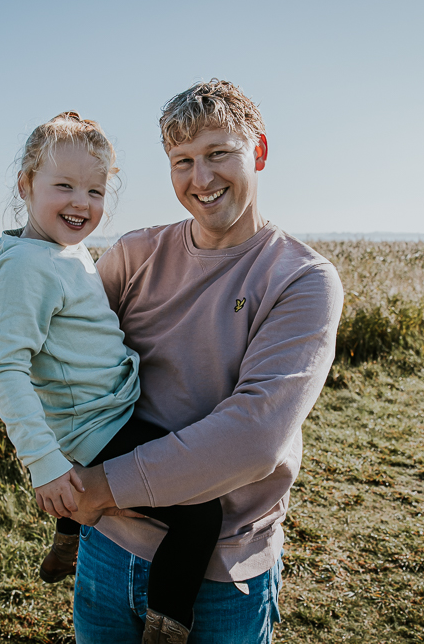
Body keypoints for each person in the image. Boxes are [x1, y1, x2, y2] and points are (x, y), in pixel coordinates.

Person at [66, 80, 344, 644]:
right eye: (182, 161)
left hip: (222, 570)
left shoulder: (300, 279)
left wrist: (101, 487)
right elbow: (70, 355)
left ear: (258, 152)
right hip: (107, 545)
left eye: (219, 153)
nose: (201, 179)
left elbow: (253, 436)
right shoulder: (136, 254)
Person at [0, 112, 224, 644]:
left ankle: (68, 538)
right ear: (25, 184)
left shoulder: (62, 252)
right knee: (201, 510)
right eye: (63, 186)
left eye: (95, 190)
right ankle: (167, 624)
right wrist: (45, 465)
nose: (81, 203)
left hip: (104, 415)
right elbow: (5, 370)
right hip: (95, 430)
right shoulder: (25, 267)